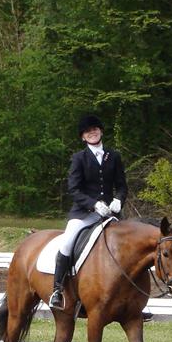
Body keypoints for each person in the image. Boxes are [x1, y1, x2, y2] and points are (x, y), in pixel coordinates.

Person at [49, 113, 128, 310]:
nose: (92, 132)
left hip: (110, 213)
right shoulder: (79, 158)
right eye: (87, 131)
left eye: (94, 129)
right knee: (67, 243)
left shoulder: (114, 156)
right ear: (83, 137)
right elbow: (74, 189)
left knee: (130, 246)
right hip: (84, 213)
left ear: (100, 131)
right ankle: (57, 290)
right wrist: (93, 204)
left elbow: (122, 185)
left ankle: (131, 297)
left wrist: (119, 199)